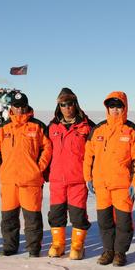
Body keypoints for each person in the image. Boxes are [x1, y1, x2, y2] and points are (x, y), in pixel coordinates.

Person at [83, 91, 135, 267]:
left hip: (123, 186)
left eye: (119, 106)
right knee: (105, 222)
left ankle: (120, 252)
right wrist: (88, 177)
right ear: (107, 108)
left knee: (123, 222)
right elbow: (89, 156)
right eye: (112, 106)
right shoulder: (98, 130)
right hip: (101, 185)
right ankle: (108, 250)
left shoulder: (132, 130)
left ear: (124, 108)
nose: (115, 110)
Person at [0, 92, 52, 257]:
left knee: (32, 219)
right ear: (11, 107)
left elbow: (47, 148)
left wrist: (38, 168)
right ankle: (9, 247)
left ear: (27, 106)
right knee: (9, 219)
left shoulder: (37, 126)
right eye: (16, 106)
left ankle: (33, 248)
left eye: (22, 106)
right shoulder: (3, 127)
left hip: (30, 181)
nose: (19, 109)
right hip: (9, 180)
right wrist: (1, 168)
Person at [46, 88, 95, 260]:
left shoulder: (88, 127)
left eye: (70, 104)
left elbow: (95, 154)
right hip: (57, 179)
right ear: (59, 106)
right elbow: (45, 151)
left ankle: (77, 246)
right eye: (63, 104)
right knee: (56, 214)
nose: (67, 107)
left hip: (78, 179)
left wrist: (93, 175)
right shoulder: (51, 127)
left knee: (77, 214)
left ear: (76, 104)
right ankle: (58, 244)